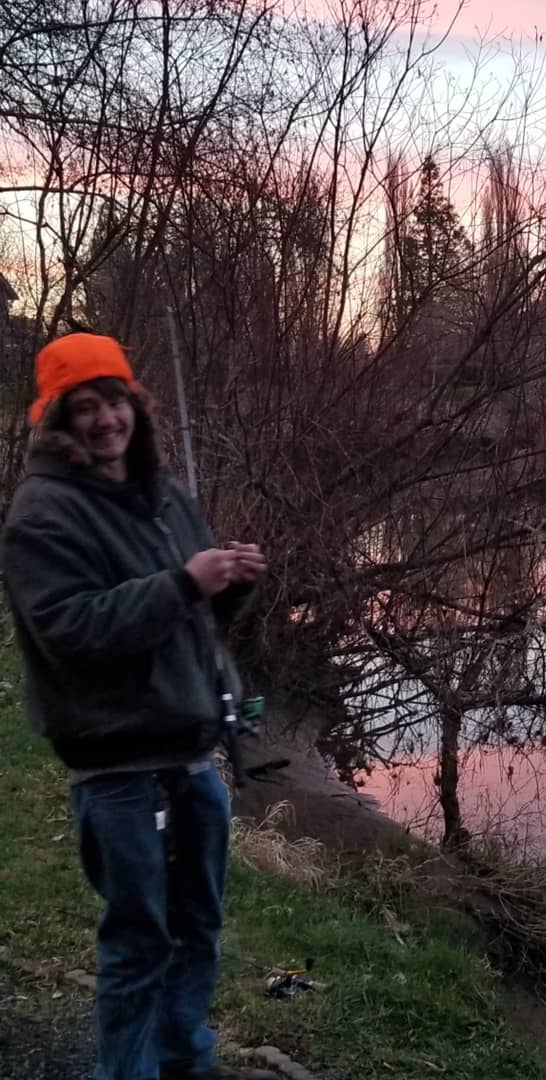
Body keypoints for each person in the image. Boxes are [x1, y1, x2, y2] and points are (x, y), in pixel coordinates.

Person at [1, 333, 277, 1080]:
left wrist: (228, 584)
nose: (103, 420)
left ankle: (186, 1059)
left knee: (200, 930)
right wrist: (186, 582)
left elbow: (193, 626)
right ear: (57, 423)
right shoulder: (41, 514)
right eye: (82, 408)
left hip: (190, 761)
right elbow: (72, 632)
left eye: (113, 401)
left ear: (135, 405)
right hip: (118, 773)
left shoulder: (165, 497)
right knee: (137, 946)